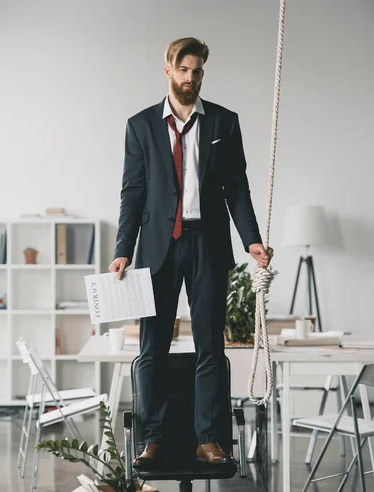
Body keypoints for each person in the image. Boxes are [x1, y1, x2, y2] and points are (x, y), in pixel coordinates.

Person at [109, 37, 273, 466]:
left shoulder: (224, 122)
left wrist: (251, 238)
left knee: (210, 349)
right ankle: (154, 439)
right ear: (168, 70)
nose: (191, 78)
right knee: (152, 348)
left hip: (208, 244)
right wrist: (123, 249)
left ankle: (209, 440)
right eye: (184, 70)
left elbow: (237, 187)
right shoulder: (141, 125)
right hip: (157, 249)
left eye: (198, 71)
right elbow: (133, 193)